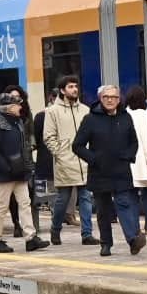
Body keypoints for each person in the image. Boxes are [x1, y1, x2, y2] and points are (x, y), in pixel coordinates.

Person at [72, 84, 145, 257]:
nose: (110, 100)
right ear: (100, 99)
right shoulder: (90, 119)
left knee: (124, 204)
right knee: (103, 211)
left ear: (119, 99)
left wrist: (128, 156)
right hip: (100, 172)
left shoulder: (125, 117)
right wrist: (94, 158)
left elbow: (133, 142)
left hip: (121, 170)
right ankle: (106, 244)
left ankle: (133, 239)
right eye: (106, 97)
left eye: (114, 97)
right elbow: (77, 145)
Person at [0, 91, 43, 253]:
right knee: (2, 206)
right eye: (17, 104)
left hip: (20, 172)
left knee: (25, 204)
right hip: (6, 174)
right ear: (9, 107)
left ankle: (30, 237)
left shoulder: (17, 122)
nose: (20, 106)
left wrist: (25, 167)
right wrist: (6, 167)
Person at [44, 76, 96, 246]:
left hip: (84, 161)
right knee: (63, 199)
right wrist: (60, 154)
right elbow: (49, 137)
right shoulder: (52, 111)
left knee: (86, 198)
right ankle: (55, 229)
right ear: (62, 90)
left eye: (76, 86)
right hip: (65, 161)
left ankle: (87, 234)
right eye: (70, 86)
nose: (74, 89)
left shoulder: (85, 110)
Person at [125, 85, 147, 237]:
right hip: (146, 160)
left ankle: (134, 227)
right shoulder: (146, 115)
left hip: (130, 162)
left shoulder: (124, 114)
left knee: (131, 196)